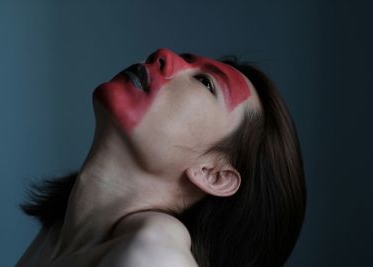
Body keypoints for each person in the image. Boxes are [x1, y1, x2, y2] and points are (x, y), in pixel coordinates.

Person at [16, 48, 306, 267]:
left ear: (213, 173)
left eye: (205, 83)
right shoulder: (56, 235)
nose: (163, 54)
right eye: (185, 58)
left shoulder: (153, 253)